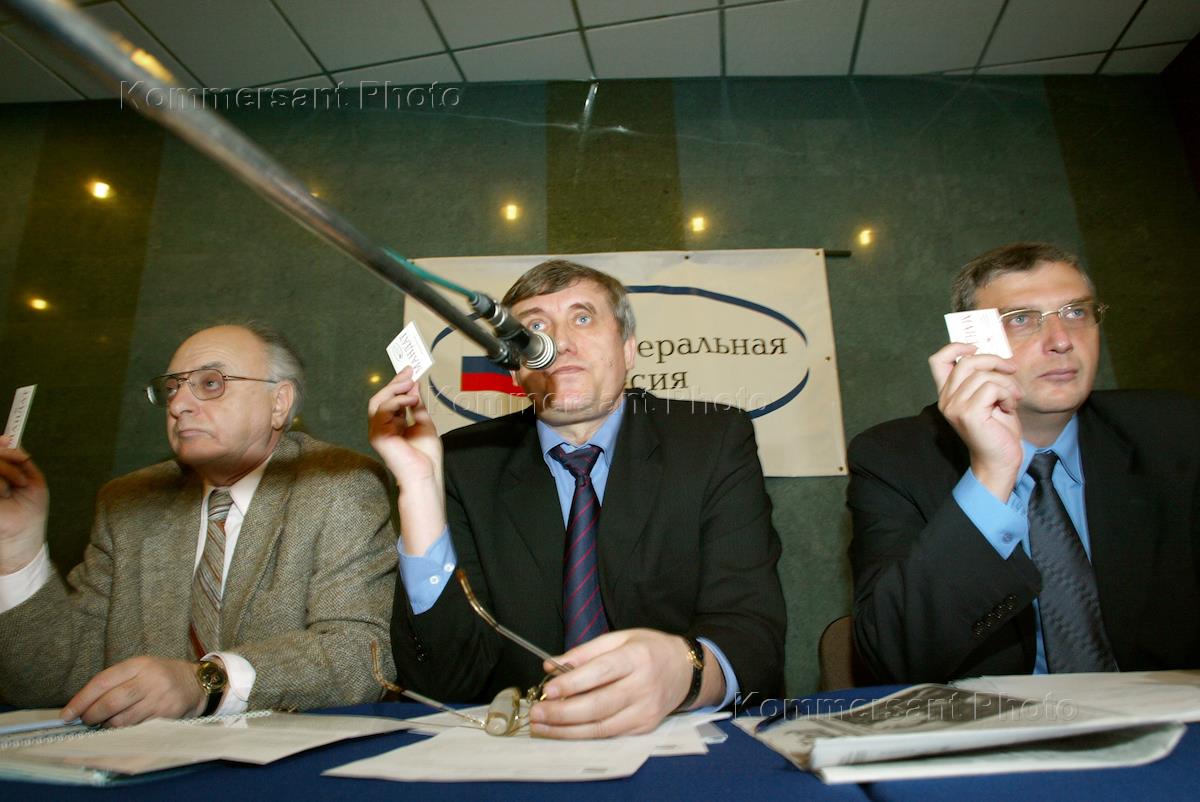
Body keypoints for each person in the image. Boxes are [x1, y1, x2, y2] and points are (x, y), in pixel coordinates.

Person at [369, 259, 786, 738]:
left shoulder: (712, 442)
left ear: (628, 349)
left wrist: (686, 673)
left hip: (681, 740)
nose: (559, 342)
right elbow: (443, 681)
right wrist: (419, 488)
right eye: (534, 328)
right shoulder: (463, 464)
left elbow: (752, 634)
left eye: (583, 318)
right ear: (516, 368)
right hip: (522, 746)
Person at [0, 324, 397, 726]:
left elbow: (360, 655)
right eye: (172, 388)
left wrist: (206, 683)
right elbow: (50, 680)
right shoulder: (128, 503)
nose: (178, 405)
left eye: (210, 383)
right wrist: (16, 547)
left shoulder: (338, 485)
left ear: (279, 403)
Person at [848, 242, 1200, 684]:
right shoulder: (894, 458)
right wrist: (991, 474)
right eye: (1021, 319)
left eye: (1076, 312)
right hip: (996, 722)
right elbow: (894, 656)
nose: (1061, 341)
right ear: (972, 344)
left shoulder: (1174, 432)